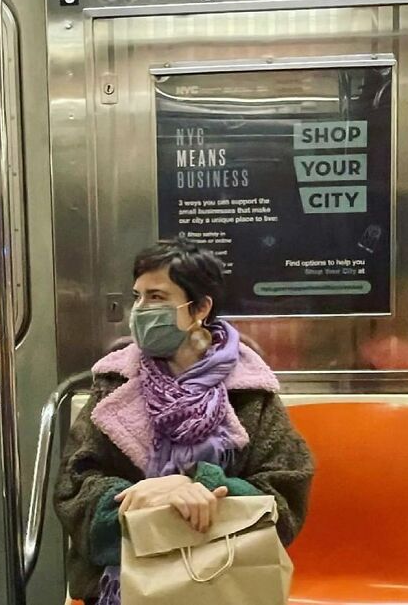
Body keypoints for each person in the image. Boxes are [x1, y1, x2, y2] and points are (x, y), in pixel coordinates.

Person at [54, 238, 313, 605]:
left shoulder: (249, 393)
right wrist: (140, 499)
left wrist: (199, 486)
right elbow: (74, 490)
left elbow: (285, 498)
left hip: (227, 575)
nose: (141, 310)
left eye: (157, 297)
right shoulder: (114, 385)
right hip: (126, 577)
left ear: (200, 308)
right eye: (138, 297)